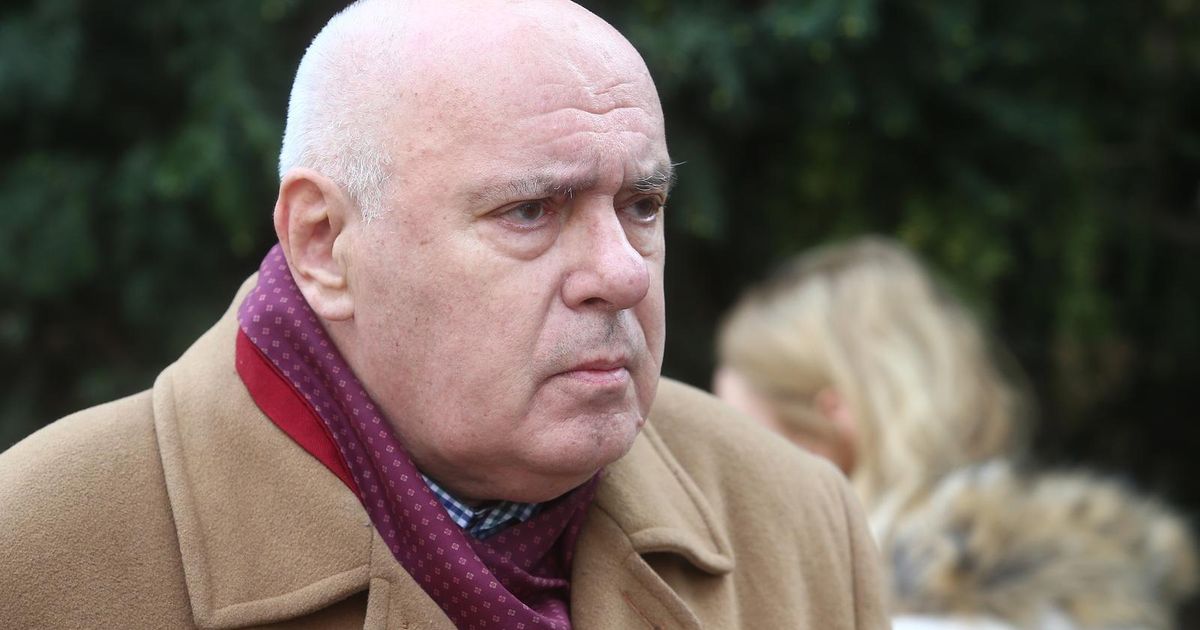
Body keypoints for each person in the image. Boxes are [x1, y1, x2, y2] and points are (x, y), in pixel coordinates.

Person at [0, 2, 888, 628]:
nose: (621, 272)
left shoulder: (795, 522)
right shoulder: (36, 551)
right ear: (323, 243)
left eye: (642, 205)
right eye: (530, 211)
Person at [715, 235, 1197, 628]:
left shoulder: (894, 616)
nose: (720, 466)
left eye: (737, 432)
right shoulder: (1080, 596)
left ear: (832, 425)